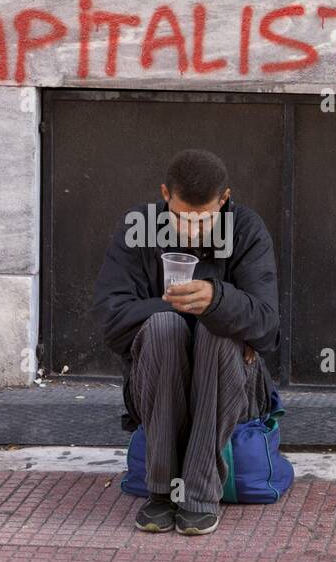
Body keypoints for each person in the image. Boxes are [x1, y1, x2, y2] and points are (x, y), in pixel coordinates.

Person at [90, 149, 281, 535]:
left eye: (204, 219)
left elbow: (268, 328)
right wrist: (176, 308)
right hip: (159, 381)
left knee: (216, 330)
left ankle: (199, 494)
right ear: (164, 194)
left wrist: (218, 301)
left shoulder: (246, 229)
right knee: (164, 327)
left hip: (232, 387)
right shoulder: (137, 227)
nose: (191, 231)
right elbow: (110, 320)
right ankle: (161, 493)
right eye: (181, 218)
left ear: (223, 200)